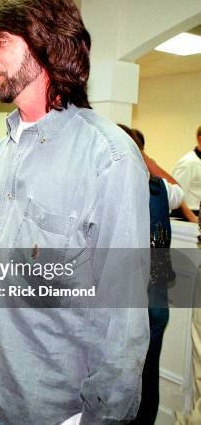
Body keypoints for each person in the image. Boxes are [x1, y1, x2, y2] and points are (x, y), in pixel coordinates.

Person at [0, 0, 150, 424]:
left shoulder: (108, 155)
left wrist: (102, 416)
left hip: (55, 407)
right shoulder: (0, 154)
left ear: (45, 43)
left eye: (0, 41)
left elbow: (124, 317)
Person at [120, 125, 178, 424]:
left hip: (127, 303)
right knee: (148, 375)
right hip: (156, 299)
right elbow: (178, 189)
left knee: (121, 380)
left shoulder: (116, 188)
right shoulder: (161, 190)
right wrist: (149, 162)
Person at [173, 125, 201, 216]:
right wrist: (191, 218)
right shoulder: (188, 162)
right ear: (199, 138)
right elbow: (177, 194)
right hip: (189, 215)